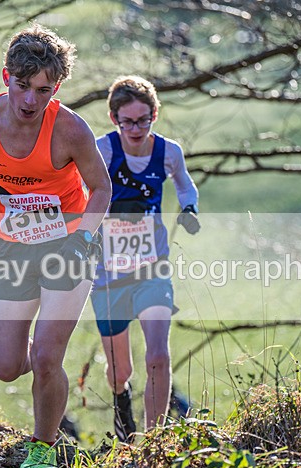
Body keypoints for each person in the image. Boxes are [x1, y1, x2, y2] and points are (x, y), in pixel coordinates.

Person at [0, 24, 111, 468]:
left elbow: (101, 188)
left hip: (67, 247)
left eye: (43, 90)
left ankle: (43, 444)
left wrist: (83, 238)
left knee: (46, 358)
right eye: (23, 86)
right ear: (6, 78)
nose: (31, 100)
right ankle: (41, 363)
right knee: (5, 365)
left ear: (55, 88)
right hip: (10, 249)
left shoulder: (71, 130)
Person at [91, 75, 200, 442]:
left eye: (143, 120)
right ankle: (122, 407)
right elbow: (79, 190)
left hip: (153, 268)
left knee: (158, 356)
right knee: (120, 369)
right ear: (113, 118)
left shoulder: (168, 151)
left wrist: (189, 207)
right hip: (108, 274)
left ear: (155, 114)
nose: (136, 129)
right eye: (128, 121)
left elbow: (185, 184)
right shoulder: (103, 151)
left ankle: (154, 443)